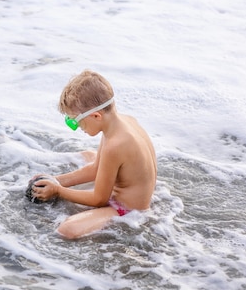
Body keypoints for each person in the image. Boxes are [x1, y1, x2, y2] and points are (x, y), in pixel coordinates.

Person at [30, 70, 157, 239]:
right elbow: (96, 168)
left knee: (67, 229)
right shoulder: (124, 122)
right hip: (136, 190)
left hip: (127, 210)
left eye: (75, 121)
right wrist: (56, 180)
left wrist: (58, 191)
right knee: (88, 155)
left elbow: (99, 200)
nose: (76, 127)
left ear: (96, 115)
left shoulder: (115, 146)